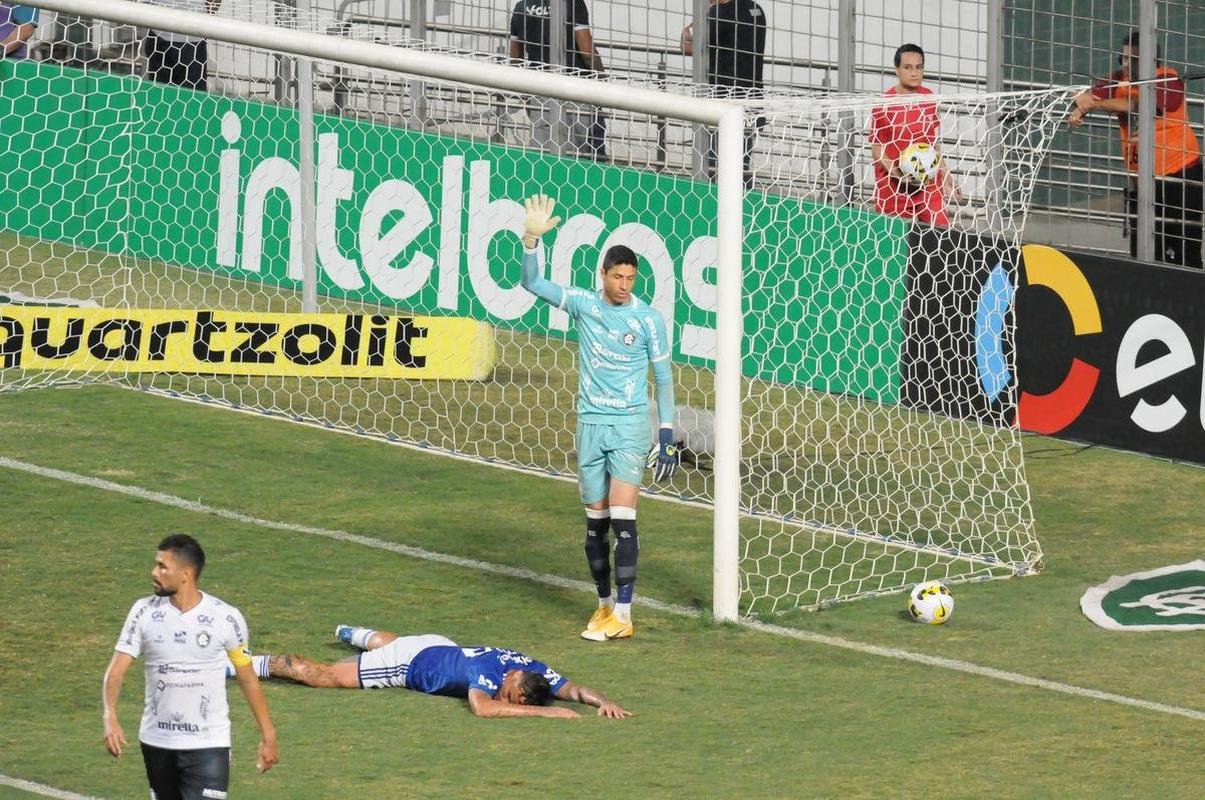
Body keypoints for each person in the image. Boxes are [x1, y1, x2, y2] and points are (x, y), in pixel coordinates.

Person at [519, 194, 677, 641]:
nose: (625, 285)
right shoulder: (585, 305)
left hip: (629, 426)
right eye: (618, 276)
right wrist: (530, 240)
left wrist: (665, 432)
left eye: (630, 278)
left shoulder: (648, 320)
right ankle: (604, 605)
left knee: (624, 519)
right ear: (603, 275)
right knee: (596, 526)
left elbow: (663, 379)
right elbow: (532, 284)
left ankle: (624, 617)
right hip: (589, 423)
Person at [102, 534, 278, 800]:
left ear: (186, 573)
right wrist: (109, 716)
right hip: (157, 741)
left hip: (209, 743)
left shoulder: (226, 618)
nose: (154, 572)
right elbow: (116, 671)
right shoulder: (143, 612)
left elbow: (247, 678)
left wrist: (268, 734)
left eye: (162, 566)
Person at [229, 624, 631, 720]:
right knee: (322, 675)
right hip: (408, 665)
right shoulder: (491, 675)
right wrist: (547, 713)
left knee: (392, 641)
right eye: (510, 696)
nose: (503, 696)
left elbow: (573, 688)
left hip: (435, 643)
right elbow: (482, 708)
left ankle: (358, 633)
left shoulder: (530, 667)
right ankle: (243, 663)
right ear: (517, 690)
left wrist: (605, 700)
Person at [1070, 32, 1203, 268]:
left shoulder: (1168, 81)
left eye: (1134, 59)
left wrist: (1094, 103)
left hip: (1179, 175)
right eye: (1123, 59)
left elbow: (1138, 105)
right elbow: (1090, 94)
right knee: (1143, 248)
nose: (1126, 65)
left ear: (1152, 61)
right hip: (1141, 179)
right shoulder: (1119, 80)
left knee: (1184, 247)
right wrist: (1081, 107)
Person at [868, 43, 959, 227]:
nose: (914, 73)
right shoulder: (885, 104)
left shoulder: (929, 99)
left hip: (928, 184)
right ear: (897, 70)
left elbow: (931, 142)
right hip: (894, 188)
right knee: (896, 243)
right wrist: (897, 175)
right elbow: (877, 148)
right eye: (907, 67)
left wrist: (944, 171)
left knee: (940, 234)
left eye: (919, 67)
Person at [680, 0, 767, 185]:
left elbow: (688, 48)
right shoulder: (756, 9)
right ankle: (743, 204)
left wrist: (686, 33)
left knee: (712, 165)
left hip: (722, 102)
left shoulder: (719, 14)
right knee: (741, 163)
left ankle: (712, 206)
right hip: (751, 100)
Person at [508, 0, 607, 159]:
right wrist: (602, 79)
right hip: (576, 89)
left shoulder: (521, 7)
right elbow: (587, 52)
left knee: (542, 152)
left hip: (539, 88)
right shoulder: (573, 4)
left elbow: (515, 57)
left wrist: (525, 91)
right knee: (579, 153)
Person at [143, 0, 222, 91]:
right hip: (162, 34)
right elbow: (213, 6)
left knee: (164, 92)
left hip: (188, 38)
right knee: (165, 92)